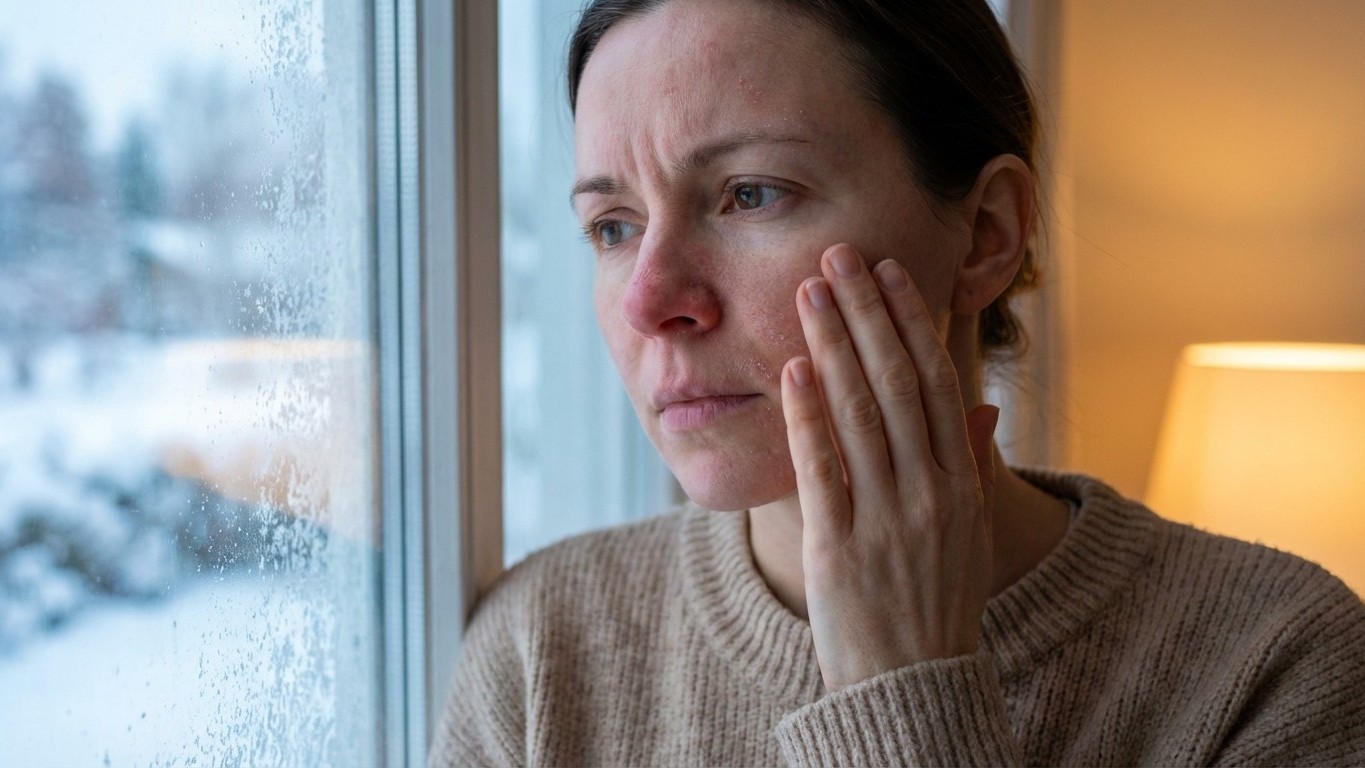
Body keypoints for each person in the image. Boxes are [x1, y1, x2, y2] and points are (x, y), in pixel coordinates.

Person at [431, 0, 1365, 764]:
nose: (651, 300)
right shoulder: (540, 651)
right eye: (612, 226)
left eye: (750, 193)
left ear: (988, 233)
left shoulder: (1276, 664)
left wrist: (907, 690)